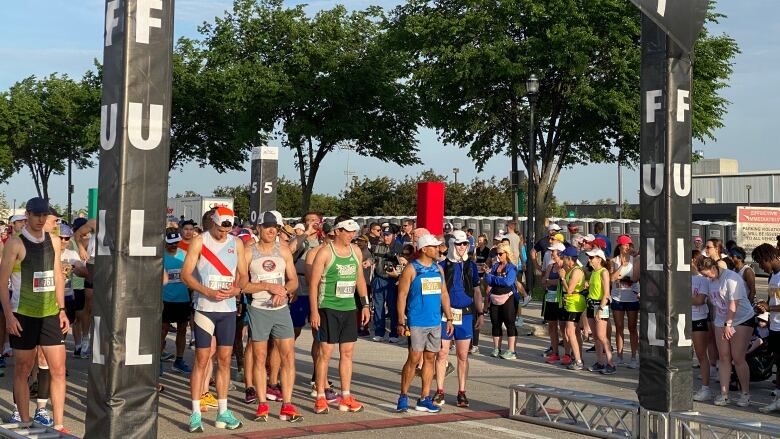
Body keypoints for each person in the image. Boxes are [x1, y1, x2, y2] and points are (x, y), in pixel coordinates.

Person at [0, 198, 70, 433]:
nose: (42, 220)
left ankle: (59, 424)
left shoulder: (54, 241)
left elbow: (58, 276)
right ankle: (25, 420)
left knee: (58, 369)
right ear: (27, 215)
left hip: (49, 313)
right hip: (24, 314)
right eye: (37, 215)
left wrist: (62, 310)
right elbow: (2, 283)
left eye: (45, 215)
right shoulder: (15, 244)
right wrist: (9, 316)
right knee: (23, 368)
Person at [181, 207, 247, 432]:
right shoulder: (200, 241)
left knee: (225, 360)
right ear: (213, 223)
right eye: (219, 229)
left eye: (227, 230)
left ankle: (223, 411)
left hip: (227, 309)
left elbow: (244, 274)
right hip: (204, 308)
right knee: (202, 358)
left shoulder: (236, 243)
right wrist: (205, 291)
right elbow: (185, 274)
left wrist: (237, 289)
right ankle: (196, 412)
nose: (223, 234)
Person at [243, 211, 302, 423]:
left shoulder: (283, 250)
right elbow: (243, 284)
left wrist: (284, 291)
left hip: (281, 311)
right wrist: (269, 287)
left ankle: (287, 404)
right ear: (258, 228)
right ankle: (262, 404)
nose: (271, 230)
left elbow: (294, 280)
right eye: (267, 226)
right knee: (259, 357)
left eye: (274, 227)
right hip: (258, 309)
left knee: (288, 356)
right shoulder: (249, 252)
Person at [309, 216, 370, 414]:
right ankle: (320, 396)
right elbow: (313, 284)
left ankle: (346, 395)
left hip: (349, 307)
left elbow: (360, 279)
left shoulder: (356, 251)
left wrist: (365, 305)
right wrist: (314, 312)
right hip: (328, 307)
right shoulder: (325, 253)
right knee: (325, 353)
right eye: (348, 231)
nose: (352, 235)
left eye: (354, 232)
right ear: (338, 231)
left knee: (348, 353)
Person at [396, 234, 453, 413]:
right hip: (416, 322)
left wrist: (449, 317)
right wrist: (400, 320)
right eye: (434, 247)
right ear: (424, 249)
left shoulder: (438, 269)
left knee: (431, 358)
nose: (438, 250)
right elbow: (402, 296)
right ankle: (403, 396)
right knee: (414, 359)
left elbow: (444, 293)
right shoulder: (411, 269)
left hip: (435, 321)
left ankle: (424, 398)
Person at [433, 230, 482, 408]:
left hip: (467, 314)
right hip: (446, 314)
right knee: (442, 353)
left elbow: (477, 291)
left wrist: (481, 313)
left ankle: (462, 392)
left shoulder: (472, 266)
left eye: (465, 244)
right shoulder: (442, 265)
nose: (462, 247)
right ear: (452, 244)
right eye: (459, 244)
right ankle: (439, 391)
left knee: (462, 355)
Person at [697, 256, 755, 407]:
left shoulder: (731, 278)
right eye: (703, 275)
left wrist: (729, 324)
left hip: (741, 319)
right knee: (723, 356)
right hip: (721, 319)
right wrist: (722, 324)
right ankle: (724, 394)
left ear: (714, 268)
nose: (706, 278)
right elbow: (716, 304)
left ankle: (745, 393)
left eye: (707, 274)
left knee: (738, 357)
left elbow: (733, 305)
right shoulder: (710, 281)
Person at [751, 244, 780, 413]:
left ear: (768, 257)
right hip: (775, 326)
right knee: (778, 361)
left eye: (761, 262)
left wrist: (770, 309)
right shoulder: (772, 276)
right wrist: (763, 307)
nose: (761, 266)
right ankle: (777, 398)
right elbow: (771, 301)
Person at [161, 229, 192, 375]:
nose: (173, 246)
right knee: (162, 331)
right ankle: (158, 362)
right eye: (170, 243)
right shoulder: (160, 257)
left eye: (175, 242)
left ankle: (179, 360)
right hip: (165, 299)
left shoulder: (184, 255)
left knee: (182, 330)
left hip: (182, 299)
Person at [610, 235, 640, 369]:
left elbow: (635, 278)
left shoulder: (635, 261)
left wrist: (621, 277)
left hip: (632, 298)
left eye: (629, 245)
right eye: (625, 245)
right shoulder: (613, 260)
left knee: (632, 328)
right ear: (620, 246)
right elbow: (612, 278)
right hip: (617, 298)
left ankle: (634, 357)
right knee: (619, 327)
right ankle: (620, 356)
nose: (627, 247)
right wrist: (621, 267)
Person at [485, 242, 519, 359]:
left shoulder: (512, 267)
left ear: (507, 253)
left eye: (500, 254)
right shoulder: (495, 266)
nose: (498, 256)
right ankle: (496, 348)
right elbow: (488, 279)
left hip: (508, 297)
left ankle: (511, 351)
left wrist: (494, 278)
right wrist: (496, 278)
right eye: (496, 254)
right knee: (495, 323)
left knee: (509, 323)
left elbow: (508, 282)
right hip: (495, 297)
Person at [371, 226, 404, 343]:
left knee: (393, 307)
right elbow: (373, 259)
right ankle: (379, 332)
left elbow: (403, 263)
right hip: (379, 278)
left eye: (388, 235)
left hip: (392, 280)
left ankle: (393, 334)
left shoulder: (399, 246)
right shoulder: (379, 246)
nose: (386, 237)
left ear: (394, 235)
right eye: (384, 235)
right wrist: (368, 262)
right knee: (378, 306)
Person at [585, 248, 615, 375]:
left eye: (592, 258)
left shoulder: (604, 272)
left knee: (602, 336)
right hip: (591, 304)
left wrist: (600, 309)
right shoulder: (594, 272)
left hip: (600, 305)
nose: (589, 260)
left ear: (599, 259)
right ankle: (600, 362)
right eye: (589, 257)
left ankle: (611, 363)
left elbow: (606, 293)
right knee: (596, 337)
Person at [691, 252, 714, 402]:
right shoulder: (680, 277)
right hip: (681, 317)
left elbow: (699, 300)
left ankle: (706, 388)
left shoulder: (703, 280)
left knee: (700, 354)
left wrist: (679, 294)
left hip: (698, 318)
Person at [558, 246, 586, 370]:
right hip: (569, 303)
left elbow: (569, 290)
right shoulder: (570, 269)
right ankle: (578, 356)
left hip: (574, 304)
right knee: (574, 332)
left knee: (570, 331)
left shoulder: (576, 271)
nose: (562, 260)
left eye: (564, 257)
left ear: (569, 259)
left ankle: (578, 360)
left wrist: (563, 278)